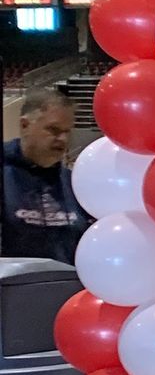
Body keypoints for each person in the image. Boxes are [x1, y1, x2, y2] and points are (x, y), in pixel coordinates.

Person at [3, 85, 83, 263]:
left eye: (67, 131)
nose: (63, 139)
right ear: (25, 125)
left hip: (65, 286)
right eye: (53, 130)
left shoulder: (74, 183)